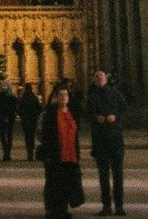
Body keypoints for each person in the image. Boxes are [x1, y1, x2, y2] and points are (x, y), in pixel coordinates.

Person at [40, 84, 84, 219]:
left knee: (66, 183)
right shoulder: (50, 114)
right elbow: (45, 135)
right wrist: (47, 154)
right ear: (56, 98)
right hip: (55, 154)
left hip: (70, 154)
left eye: (66, 95)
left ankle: (63, 209)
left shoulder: (72, 113)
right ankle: (52, 210)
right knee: (54, 183)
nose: (64, 97)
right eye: (61, 95)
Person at [88, 67, 127, 216]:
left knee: (118, 175)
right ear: (94, 80)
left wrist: (115, 117)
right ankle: (106, 205)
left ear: (106, 78)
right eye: (97, 77)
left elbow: (124, 108)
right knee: (103, 176)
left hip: (115, 138)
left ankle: (119, 205)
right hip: (100, 140)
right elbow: (87, 114)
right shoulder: (92, 96)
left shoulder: (115, 93)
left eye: (101, 77)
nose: (99, 79)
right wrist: (95, 118)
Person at [18, 82, 41, 160]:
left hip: (25, 120)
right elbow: (39, 108)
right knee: (31, 136)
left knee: (27, 137)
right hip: (33, 119)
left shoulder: (23, 98)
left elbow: (19, 109)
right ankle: (31, 153)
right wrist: (36, 115)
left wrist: (22, 115)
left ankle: (29, 154)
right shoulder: (34, 97)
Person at [0, 82, 17, 159]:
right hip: (8, 119)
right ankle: (7, 153)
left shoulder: (1, 97)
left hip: (3, 118)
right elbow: (14, 108)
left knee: (4, 136)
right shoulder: (11, 97)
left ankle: (6, 152)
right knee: (8, 136)